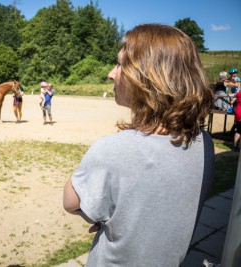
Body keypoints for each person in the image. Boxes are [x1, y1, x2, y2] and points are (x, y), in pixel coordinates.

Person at [63, 24, 214, 266]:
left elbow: (71, 202)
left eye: (121, 65)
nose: (112, 74)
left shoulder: (113, 149)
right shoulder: (204, 142)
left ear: (147, 76)